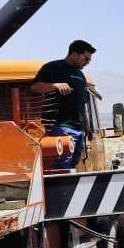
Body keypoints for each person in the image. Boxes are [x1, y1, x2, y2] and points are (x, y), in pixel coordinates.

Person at [31, 40, 95, 169]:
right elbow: (35, 87)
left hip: (79, 129)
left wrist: (87, 125)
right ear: (74, 54)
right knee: (62, 166)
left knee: (73, 165)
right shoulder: (53, 67)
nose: (88, 62)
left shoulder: (80, 75)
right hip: (61, 126)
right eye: (86, 58)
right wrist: (54, 85)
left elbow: (81, 103)